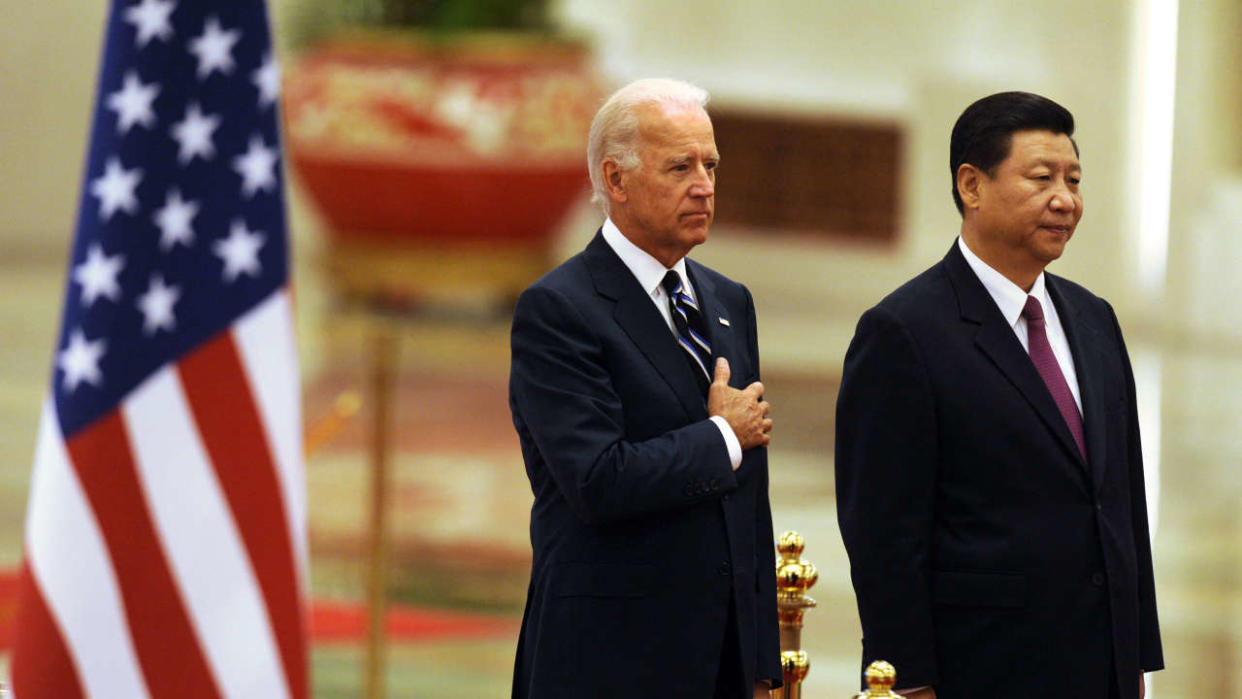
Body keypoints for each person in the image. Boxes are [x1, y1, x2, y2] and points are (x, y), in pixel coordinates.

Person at [835, 91, 1163, 698]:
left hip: (1100, 665)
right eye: (1041, 178)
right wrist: (907, 681)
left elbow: (1122, 502)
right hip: (982, 665)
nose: (1065, 199)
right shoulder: (904, 332)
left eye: (1074, 179)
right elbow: (883, 535)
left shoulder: (1094, 320)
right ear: (971, 185)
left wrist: (1136, 653)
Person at [508, 78, 782, 698]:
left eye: (710, 165)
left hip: (721, 664)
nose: (704, 186)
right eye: (680, 166)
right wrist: (721, 436)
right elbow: (597, 481)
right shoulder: (559, 309)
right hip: (608, 658)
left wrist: (762, 663)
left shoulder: (728, 301)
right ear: (616, 179)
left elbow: (748, 506)